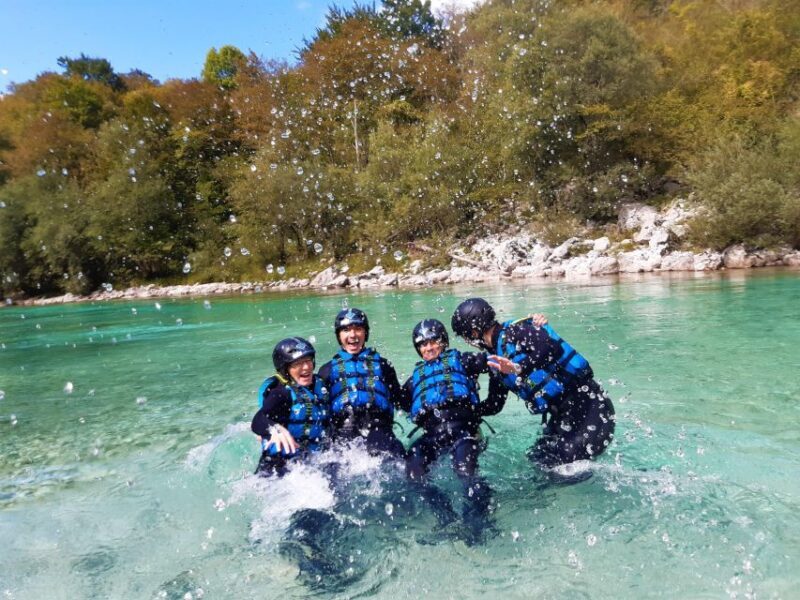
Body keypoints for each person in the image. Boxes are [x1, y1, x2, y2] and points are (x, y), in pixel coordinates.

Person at [451, 298, 615, 469]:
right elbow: (495, 403)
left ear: (474, 332)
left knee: (565, 467)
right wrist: (464, 412)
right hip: (562, 416)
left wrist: (518, 368)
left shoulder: (515, 331)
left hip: (590, 405)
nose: (467, 341)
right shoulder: (496, 361)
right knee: (537, 460)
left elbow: (551, 348)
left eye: (465, 336)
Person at [399, 319, 504, 543]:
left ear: (444, 342)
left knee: (465, 471)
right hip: (431, 436)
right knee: (414, 474)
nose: (428, 348)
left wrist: (489, 405)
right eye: (423, 344)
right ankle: (446, 519)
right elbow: (398, 403)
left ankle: (477, 521)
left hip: (463, 430)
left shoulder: (463, 361)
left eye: (433, 342)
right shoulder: (413, 381)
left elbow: (496, 362)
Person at [318, 308, 406, 458]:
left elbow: (401, 401)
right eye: (346, 330)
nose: (353, 335)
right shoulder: (326, 371)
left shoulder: (384, 366)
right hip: (342, 432)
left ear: (366, 333)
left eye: (358, 329)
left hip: (379, 429)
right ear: (339, 336)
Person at [251, 337, 331, 476]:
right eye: (297, 364)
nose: (306, 367)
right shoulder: (281, 393)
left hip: (312, 460)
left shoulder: (320, 385)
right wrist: (274, 428)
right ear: (285, 369)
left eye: (308, 360)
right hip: (279, 466)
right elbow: (258, 419)